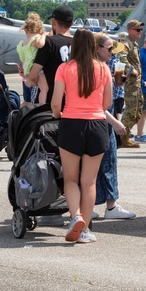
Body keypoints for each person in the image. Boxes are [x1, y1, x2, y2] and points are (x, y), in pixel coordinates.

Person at [50, 28, 111, 244]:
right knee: (89, 182)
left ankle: (75, 216)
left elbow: (56, 103)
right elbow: (107, 104)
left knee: (70, 179)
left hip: (71, 124)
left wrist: (58, 114)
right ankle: (84, 228)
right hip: (97, 125)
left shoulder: (64, 68)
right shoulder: (103, 69)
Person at [93, 34, 135, 220]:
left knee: (94, 168)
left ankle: (93, 204)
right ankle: (110, 206)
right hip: (100, 123)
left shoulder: (94, 68)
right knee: (106, 164)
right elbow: (98, 105)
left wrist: (116, 83)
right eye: (109, 49)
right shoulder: (98, 70)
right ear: (97, 48)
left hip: (94, 123)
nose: (112, 52)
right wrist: (115, 122)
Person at [27, 5, 73, 107]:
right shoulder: (79, 44)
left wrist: (35, 82)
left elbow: (32, 76)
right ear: (72, 24)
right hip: (72, 105)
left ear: (54, 22)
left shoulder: (49, 42)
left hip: (49, 105)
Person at [119, 19, 144, 148]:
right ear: (130, 31)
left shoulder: (134, 44)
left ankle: (125, 135)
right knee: (131, 110)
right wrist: (130, 70)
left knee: (137, 109)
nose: (140, 32)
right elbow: (121, 57)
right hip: (131, 84)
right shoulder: (127, 43)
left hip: (137, 84)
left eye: (141, 30)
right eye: (137, 30)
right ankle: (122, 137)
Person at [16, 12, 46, 103]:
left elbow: (22, 59)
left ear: (25, 30)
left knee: (27, 100)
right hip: (36, 70)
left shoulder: (23, 43)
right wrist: (44, 35)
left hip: (27, 71)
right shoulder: (36, 38)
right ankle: (41, 106)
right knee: (44, 89)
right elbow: (40, 45)